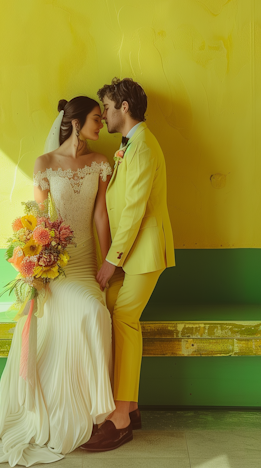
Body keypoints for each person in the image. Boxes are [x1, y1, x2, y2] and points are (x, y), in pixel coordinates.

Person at [0, 96, 116, 466]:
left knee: (96, 311)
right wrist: (39, 267)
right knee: (92, 312)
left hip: (88, 266)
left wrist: (109, 262)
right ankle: (91, 411)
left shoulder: (100, 163)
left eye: (102, 119)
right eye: (94, 119)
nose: (100, 125)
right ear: (73, 122)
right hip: (58, 269)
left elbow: (102, 216)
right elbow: (39, 222)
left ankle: (95, 412)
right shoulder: (45, 165)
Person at [80, 77, 175, 452]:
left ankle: (119, 420)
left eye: (106, 107)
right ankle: (130, 408)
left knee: (124, 320)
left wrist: (110, 261)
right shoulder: (130, 146)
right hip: (131, 252)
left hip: (144, 252)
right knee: (115, 316)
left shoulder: (143, 148)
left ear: (123, 106)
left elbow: (134, 211)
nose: (103, 115)